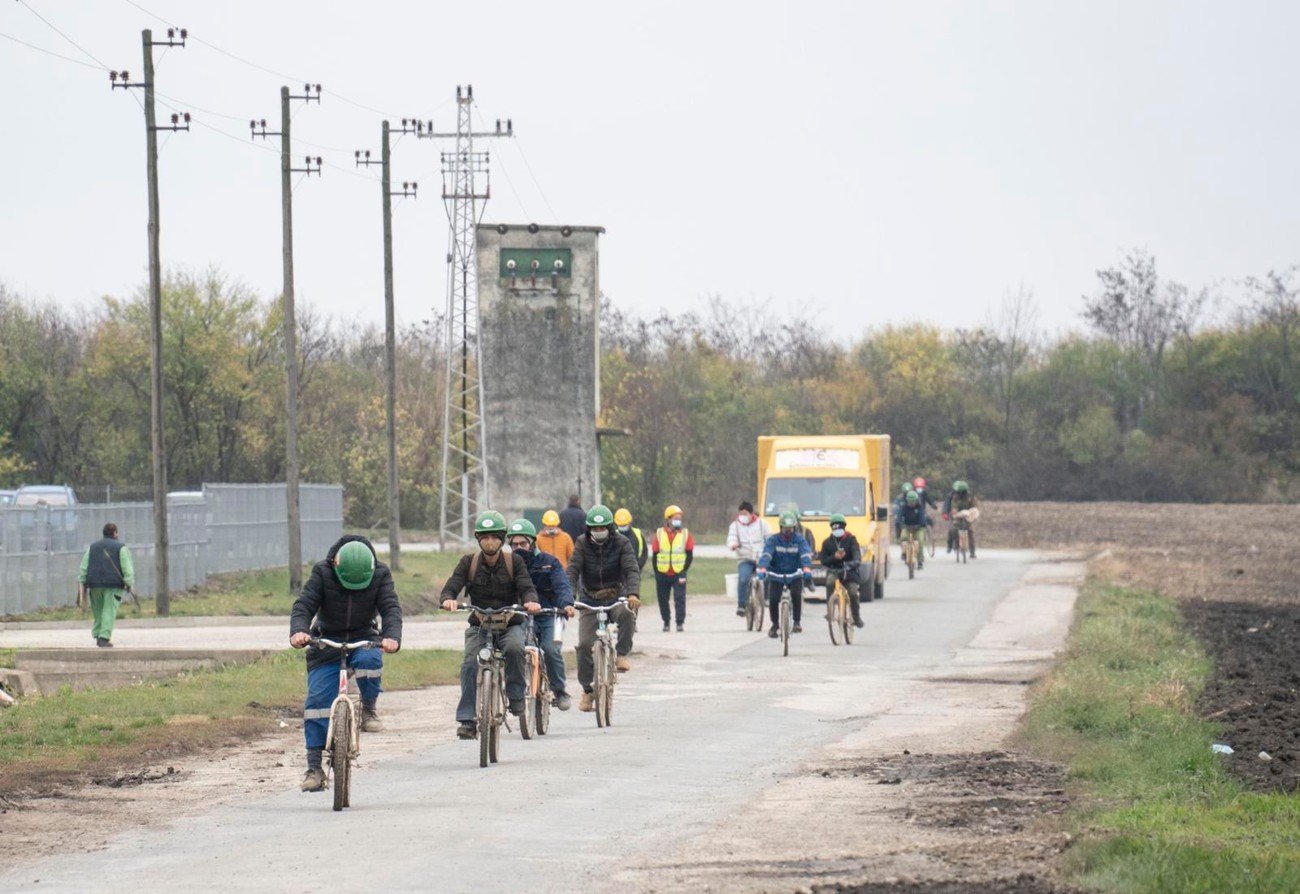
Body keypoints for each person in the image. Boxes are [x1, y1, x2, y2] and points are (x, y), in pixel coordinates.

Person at [290, 536, 402, 792]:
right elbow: (304, 605)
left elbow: (391, 608)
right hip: (326, 640)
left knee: (370, 662)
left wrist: (392, 636)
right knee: (317, 703)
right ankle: (314, 768)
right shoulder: (322, 572)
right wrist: (299, 631)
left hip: (364, 638)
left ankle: (368, 709)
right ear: (335, 564)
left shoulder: (380, 574)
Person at [439, 511, 540, 740]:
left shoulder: (514, 561)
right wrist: (448, 599)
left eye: (494, 537)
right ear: (478, 539)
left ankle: (515, 697)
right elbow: (452, 585)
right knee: (469, 664)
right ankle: (467, 719)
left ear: (502, 539)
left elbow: (526, 586)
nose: (490, 541)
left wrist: (530, 601)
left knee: (515, 648)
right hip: (480, 625)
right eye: (485, 537)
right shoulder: (469, 562)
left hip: (509, 624)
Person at [567, 504, 641, 711]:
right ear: (588, 529)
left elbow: (631, 569)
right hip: (590, 599)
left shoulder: (622, 542)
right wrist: (568, 597)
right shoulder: (582, 543)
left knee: (627, 613)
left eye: (602, 529)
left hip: (615, 595)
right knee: (583, 645)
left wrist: (633, 594)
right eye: (594, 529)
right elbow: (572, 570)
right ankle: (587, 691)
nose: (598, 532)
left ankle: (622, 653)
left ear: (610, 528)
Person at [507, 518, 576, 711]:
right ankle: (515, 692)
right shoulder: (507, 564)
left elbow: (562, 585)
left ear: (532, 543)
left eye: (523, 543)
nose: (519, 547)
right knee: (514, 648)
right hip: (521, 615)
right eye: (514, 544)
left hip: (551, 613)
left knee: (551, 649)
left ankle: (560, 690)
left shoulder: (549, 562)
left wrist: (567, 604)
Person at [78, 522, 134, 648]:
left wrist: (82, 582)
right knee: (109, 611)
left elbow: (83, 567)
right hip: (114, 585)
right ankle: (104, 637)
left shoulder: (92, 548)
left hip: (94, 584)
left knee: (98, 611)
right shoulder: (121, 548)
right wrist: (129, 583)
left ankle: (97, 634)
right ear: (115, 533)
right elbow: (127, 568)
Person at [757, 512, 813, 637]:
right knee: (774, 599)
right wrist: (763, 569)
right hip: (776, 573)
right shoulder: (773, 540)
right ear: (780, 528)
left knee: (796, 594)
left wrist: (807, 568)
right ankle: (775, 624)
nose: (788, 531)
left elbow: (805, 554)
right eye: (785, 529)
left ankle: (797, 622)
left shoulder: (799, 539)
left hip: (795, 573)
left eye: (790, 529)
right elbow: (767, 554)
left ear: (794, 528)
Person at [651, 504, 694, 632]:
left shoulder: (685, 534)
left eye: (679, 518)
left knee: (680, 599)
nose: (678, 521)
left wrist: (683, 570)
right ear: (668, 519)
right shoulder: (659, 534)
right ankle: (666, 622)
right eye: (675, 518)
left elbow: (690, 555)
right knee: (663, 599)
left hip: (679, 572)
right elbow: (654, 555)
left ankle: (679, 623)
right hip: (662, 573)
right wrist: (657, 572)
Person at [820, 514, 864, 629]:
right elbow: (823, 560)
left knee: (853, 593)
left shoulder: (851, 540)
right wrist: (834, 557)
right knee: (829, 582)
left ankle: (856, 617)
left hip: (850, 572)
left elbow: (857, 557)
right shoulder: (827, 543)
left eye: (839, 528)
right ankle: (830, 611)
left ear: (844, 528)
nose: (837, 530)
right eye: (834, 528)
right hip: (834, 571)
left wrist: (850, 564)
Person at [726, 500, 770, 617]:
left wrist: (768, 550)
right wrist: (733, 545)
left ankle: (766, 598)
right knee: (743, 579)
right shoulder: (735, 525)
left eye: (745, 514)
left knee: (767, 575)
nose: (743, 516)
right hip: (745, 558)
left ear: (751, 514)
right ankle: (741, 605)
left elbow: (770, 538)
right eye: (741, 514)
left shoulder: (762, 524)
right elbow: (731, 538)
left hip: (761, 558)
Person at [943, 480, 980, 557]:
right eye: (960, 491)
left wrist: (973, 515)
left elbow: (975, 507)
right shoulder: (955, 497)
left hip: (968, 516)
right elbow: (954, 507)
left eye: (963, 491)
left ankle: (972, 552)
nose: (961, 493)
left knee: (970, 532)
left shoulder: (971, 497)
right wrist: (955, 514)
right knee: (953, 529)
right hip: (958, 517)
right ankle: (956, 545)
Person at [898, 490, 927, 566]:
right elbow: (900, 516)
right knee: (903, 537)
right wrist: (900, 523)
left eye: (913, 502)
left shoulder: (919, 507)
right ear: (907, 501)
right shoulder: (904, 507)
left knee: (920, 541)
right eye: (909, 502)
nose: (911, 504)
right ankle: (904, 553)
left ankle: (920, 561)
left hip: (917, 528)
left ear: (916, 501)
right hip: (907, 527)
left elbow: (922, 517)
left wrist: (922, 524)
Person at [614, 507, 648, 572]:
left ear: (629, 522)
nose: (622, 527)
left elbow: (644, 551)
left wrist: (639, 565)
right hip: (618, 573)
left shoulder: (637, 534)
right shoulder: (614, 536)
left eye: (624, 525)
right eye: (621, 525)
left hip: (635, 571)